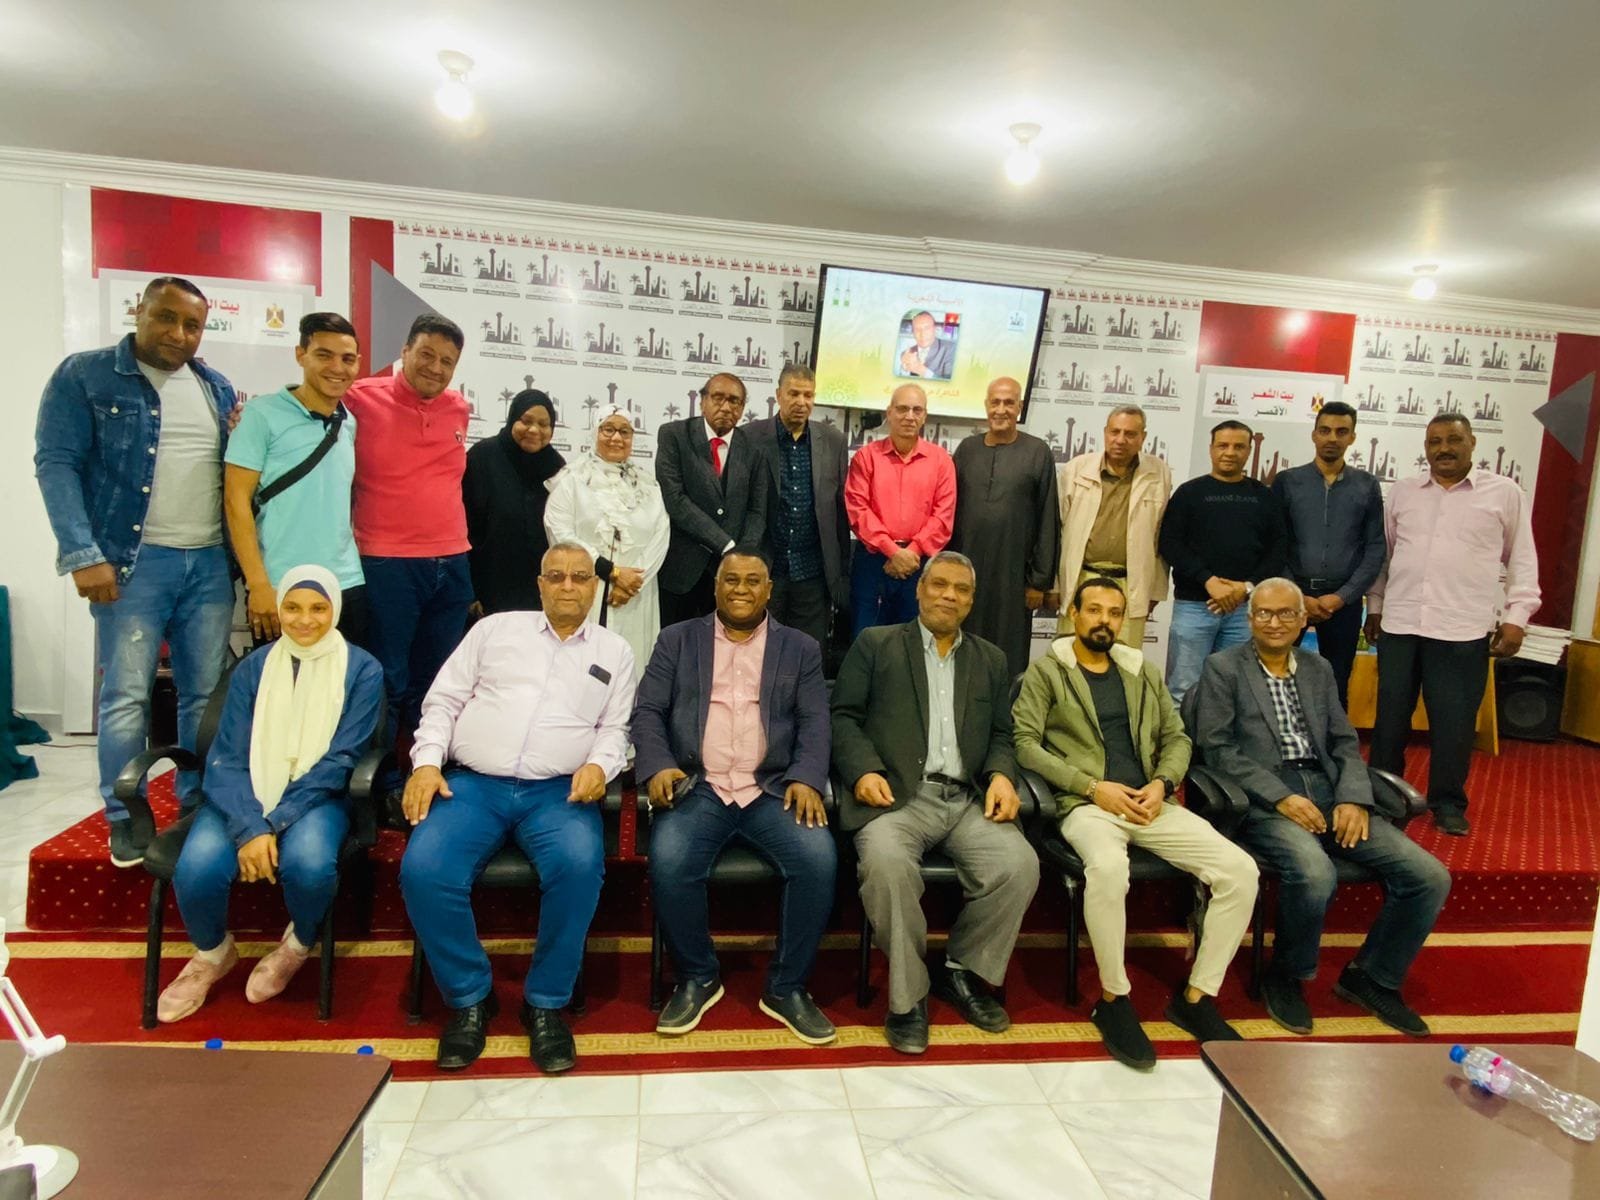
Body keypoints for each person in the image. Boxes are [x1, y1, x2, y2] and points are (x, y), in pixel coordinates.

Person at [398, 543, 636, 1074]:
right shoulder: (494, 631)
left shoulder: (615, 651)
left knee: (579, 867)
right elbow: (443, 702)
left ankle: (545, 1004)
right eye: (557, 576)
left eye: (580, 577)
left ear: (595, 587)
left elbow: (615, 729)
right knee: (424, 870)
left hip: (558, 793)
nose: (569, 586)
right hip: (472, 787)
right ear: (540, 583)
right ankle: (469, 998)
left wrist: (600, 766)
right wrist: (426, 763)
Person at [34, 276, 238, 867]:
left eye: (193, 325)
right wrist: (83, 553)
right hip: (132, 562)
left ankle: (197, 803)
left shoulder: (216, 387)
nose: (179, 333)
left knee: (204, 696)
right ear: (139, 311)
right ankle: (125, 816)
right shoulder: (85, 375)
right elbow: (56, 464)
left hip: (208, 561)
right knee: (126, 696)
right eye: (166, 318)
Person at [1013, 576, 1257, 1070]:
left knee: (1241, 872)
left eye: (1113, 612)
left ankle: (1196, 997)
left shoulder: (1140, 670)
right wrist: (1090, 787)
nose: (1103, 620)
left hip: (1150, 802)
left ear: (1123, 619)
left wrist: (1162, 784)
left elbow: (1177, 737)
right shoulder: (1047, 671)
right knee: (1108, 869)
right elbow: (1025, 744)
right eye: (1094, 610)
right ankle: (1115, 999)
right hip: (1087, 805)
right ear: (1074, 614)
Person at [1192, 578, 1451, 1037]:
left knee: (1429, 876)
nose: (1274, 623)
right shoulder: (1223, 668)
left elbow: (1343, 742)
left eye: (1285, 614)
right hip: (1266, 798)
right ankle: (1286, 975)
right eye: (1264, 613)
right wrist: (1281, 796)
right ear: (1250, 619)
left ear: (1303, 620)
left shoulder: (1318, 668)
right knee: (1315, 872)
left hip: (1330, 791)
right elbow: (1219, 749)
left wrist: (1353, 796)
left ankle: (1372, 977)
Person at [831, 551, 1039, 1054]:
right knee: (886, 865)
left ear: (972, 600)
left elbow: (1002, 734)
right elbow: (842, 717)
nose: (950, 595)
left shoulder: (990, 659)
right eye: (940, 584)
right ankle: (908, 998)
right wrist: (863, 770)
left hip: (966, 800)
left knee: (1019, 865)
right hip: (899, 797)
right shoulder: (876, 644)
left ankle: (960, 970)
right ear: (920, 589)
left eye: (961, 589)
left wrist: (1001, 776)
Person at [157, 567, 384, 1022]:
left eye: (318, 608)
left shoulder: (362, 669)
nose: (305, 619)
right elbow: (227, 755)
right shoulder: (253, 668)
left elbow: (342, 759)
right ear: (278, 610)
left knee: (310, 866)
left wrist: (273, 823)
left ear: (336, 610)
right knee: (198, 868)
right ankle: (213, 953)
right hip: (242, 792)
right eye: (292, 608)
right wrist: (250, 825)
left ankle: (297, 944)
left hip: (317, 796)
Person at [632, 552, 837, 1045]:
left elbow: (815, 721)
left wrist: (807, 777)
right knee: (669, 859)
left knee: (818, 860)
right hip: (699, 786)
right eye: (731, 580)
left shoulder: (800, 648)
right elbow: (647, 711)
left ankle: (786, 988)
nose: (741, 589)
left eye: (752, 580)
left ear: (769, 590)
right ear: (716, 586)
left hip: (771, 788)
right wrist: (658, 765)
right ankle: (698, 976)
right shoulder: (677, 640)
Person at [1366, 413, 1540, 836]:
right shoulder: (1403, 492)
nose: (1443, 449)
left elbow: (1522, 559)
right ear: (1425, 447)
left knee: (1454, 723)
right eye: (1435, 441)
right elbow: (1386, 556)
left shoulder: (1504, 493)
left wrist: (1517, 617)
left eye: (1453, 440)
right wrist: (1375, 606)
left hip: (1462, 629)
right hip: (1401, 624)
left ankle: (1447, 803)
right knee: (1389, 720)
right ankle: (1385, 797)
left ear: (1472, 443)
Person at [343, 313, 473, 750]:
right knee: (387, 677)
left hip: (452, 562)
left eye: (447, 361)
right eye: (426, 355)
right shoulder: (360, 398)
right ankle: (379, 775)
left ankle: (424, 765)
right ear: (404, 352)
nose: (436, 368)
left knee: (439, 680)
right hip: (388, 563)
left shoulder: (459, 407)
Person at [224, 313, 366, 645]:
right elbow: (235, 501)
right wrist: (258, 584)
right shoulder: (260, 414)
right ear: (301, 355)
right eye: (323, 355)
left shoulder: (348, 422)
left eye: (347, 359)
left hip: (345, 583)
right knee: (282, 679)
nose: (337, 367)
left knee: (343, 677)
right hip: (283, 584)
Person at [1158, 420, 1288, 702]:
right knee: (1183, 690)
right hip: (1194, 606)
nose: (1230, 452)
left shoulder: (1264, 497)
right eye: (1223, 445)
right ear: (1211, 449)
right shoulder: (1189, 493)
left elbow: (1279, 549)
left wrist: (1246, 587)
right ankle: (1184, 735)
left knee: (1235, 690)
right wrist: (1208, 581)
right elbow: (1170, 543)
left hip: (1245, 609)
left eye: (1238, 446)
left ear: (1249, 451)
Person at [1269, 401, 1385, 708]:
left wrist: (1342, 597)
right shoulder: (1287, 482)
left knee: (1336, 684)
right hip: (1290, 599)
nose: (1332, 438)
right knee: (1274, 678)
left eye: (1341, 432)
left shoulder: (1367, 485)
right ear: (1314, 435)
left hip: (1341, 603)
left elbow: (1375, 547)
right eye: (1325, 430)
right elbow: (1274, 544)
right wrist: (1297, 595)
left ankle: (1331, 739)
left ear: (1352, 437)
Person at [545, 405, 672, 682]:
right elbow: (560, 531)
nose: (617, 438)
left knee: (630, 670)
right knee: (579, 670)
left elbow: (660, 534)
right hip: (585, 584)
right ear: (595, 432)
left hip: (634, 594)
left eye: (625, 432)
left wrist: (632, 582)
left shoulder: (648, 485)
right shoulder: (572, 480)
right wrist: (610, 571)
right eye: (608, 429)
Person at [950, 377, 1059, 676]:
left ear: (1020, 407)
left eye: (1009, 403)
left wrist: (1039, 582)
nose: (1001, 410)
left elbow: (1047, 518)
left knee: (1007, 655)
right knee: (962, 648)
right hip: (967, 570)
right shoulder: (967, 449)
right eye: (995, 402)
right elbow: (949, 510)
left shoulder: (1037, 452)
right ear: (986, 406)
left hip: (1014, 576)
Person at [742, 365, 850, 652]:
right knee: (757, 652)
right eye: (794, 394)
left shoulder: (834, 441)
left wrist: (841, 573)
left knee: (807, 654)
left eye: (808, 395)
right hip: (765, 568)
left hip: (813, 572)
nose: (802, 402)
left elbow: (840, 512)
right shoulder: (750, 437)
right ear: (778, 395)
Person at [1048, 404, 1171, 650]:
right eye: (1115, 432)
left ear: (1143, 437)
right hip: (1081, 579)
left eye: (1130, 434)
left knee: (1125, 659)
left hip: (1129, 584)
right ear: (1105, 433)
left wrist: (1155, 591)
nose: (1121, 440)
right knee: (1071, 657)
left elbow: (1161, 535)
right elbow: (1055, 530)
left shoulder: (1158, 473)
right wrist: (1055, 585)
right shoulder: (1077, 469)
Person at [654, 373, 768, 626]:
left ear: (742, 408)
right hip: (681, 571)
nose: (726, 407)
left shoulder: (755, 448)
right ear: (702, 401)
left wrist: (742, 555)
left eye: (734, 401)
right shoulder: (674, 435)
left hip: (731, 577)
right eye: (718, 398)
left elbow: (757, 511)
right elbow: (675, 500)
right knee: (674, 643)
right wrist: (726, 545)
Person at [843, 384, 957, 637]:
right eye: (902, 409)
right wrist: (892, 551)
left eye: (917, 410)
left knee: (914, 642)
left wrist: (912, 551)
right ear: (889, 412)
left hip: (920, 564)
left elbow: (943, 515)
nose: (910, 416)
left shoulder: (941, 461)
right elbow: (858, 509)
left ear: (925, 416)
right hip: (873, 562)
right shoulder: (866, 457)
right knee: (866, 639)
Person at [463, 389, 565, 616]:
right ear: (512, 419)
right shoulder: (483, 457)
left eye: (544, 424)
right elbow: (463, 525)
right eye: (526, 421)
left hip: (538, 595)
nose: (534, 430)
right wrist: (470, 591)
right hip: (487, 590)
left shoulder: (557, 468)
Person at [897, 311, 955, 380]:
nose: (922, 334)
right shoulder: (906, 354)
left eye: (927, 328)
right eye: (917, 329)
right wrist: (904, 370)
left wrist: (921, 370)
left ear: (935, 329)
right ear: (913, 332)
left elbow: (950, 384)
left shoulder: (951, 349)